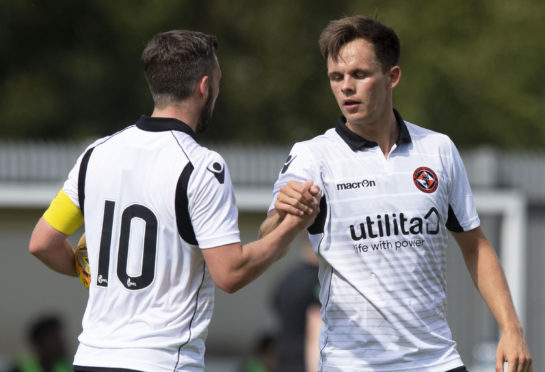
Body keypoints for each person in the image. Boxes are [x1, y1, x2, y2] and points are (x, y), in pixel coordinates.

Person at [28, 30, 319, 372]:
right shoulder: (202, 167)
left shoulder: (96, 153)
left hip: (91, 359)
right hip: (162, 363)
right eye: (219, 84)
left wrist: (98, 272)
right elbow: (230, 273)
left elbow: (42, 243)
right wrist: (289, 231)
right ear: (204, 86)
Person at [259, 15, 532, 372]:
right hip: (352, 364)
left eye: (359, 74)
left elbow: (475, 244)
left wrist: (511, 328)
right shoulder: (313, 156)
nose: (345, 87)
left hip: (437, 361)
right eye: (336, 77)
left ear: (392, 77)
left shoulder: (438, 149)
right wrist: (283, 214)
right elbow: (268, 237)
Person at [271, 237, 320, 372]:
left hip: (283, 360)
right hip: (305, 363)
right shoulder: (317, 280)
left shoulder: (286, 278)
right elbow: (315, 327)